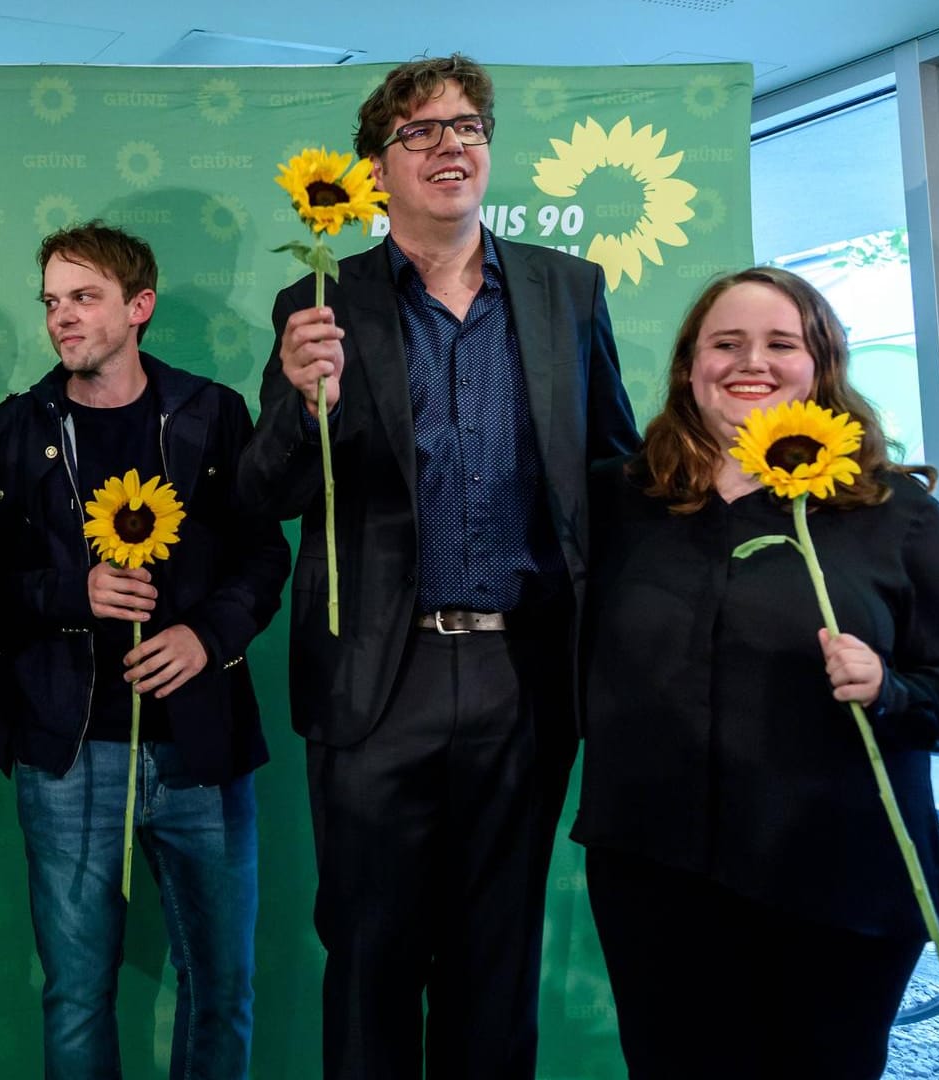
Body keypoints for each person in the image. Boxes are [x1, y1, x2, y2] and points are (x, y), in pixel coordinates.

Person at [237, 53, 641, 1080]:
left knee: (496, 963)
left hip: (525, 678)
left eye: (467, 125)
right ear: (377, 170)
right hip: (379, 678)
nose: (449, 144)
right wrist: (297, 401)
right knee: (370, 957)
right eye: (419, 132)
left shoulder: (566, 290)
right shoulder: (319, 299)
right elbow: (268, 493)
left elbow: (613, 468)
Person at [575, 266, 939, 1079]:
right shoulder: (618, 501)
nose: (753, 362)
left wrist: (894, 688)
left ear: (822, 367)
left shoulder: (894, 512)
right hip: (659, 878)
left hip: (842, 884)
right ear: (689, 366)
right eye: (727, 343)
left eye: (782, 344)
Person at [0, 222, 289, 1078]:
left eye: (85, 297)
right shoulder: (3, 434)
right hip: (65, 753)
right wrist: (74, 595)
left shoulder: (215, 415)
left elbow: (263, 553)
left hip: (200, 745)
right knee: (74, 992)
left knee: (222, 986)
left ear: (139, 307)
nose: (63, 318)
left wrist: (206, 636)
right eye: (53, 302)